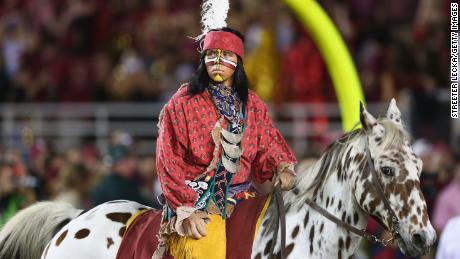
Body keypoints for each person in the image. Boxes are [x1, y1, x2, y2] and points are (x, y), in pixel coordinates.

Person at [154, 26, 297, 259]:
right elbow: (168, 159)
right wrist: (186, 207)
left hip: (243, 197)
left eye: (226, 55)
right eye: (211, 54)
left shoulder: (252, 104)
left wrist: (281, 166)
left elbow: (267, 142)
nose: (217, 61)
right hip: (196, 200)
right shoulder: (182, 103)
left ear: (238, 61)